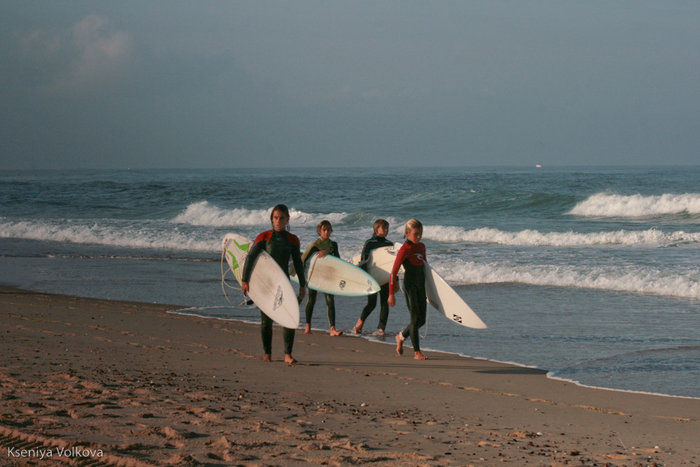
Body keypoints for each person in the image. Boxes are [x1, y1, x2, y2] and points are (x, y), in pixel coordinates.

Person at [241, 204, 307, 364]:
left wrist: (302, 285)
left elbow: (298, 264)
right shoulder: (264, 237)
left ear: (287, 219)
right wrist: (245, 280)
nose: (278, 221)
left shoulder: (292, 239)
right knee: (266, 320)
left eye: (281, 218)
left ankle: (287, 354)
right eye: (275, 218)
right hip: (266, 284)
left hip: (283, 283)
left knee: (290, 317)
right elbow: (250, 257)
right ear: (272, 219)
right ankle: (267, 354)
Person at [388, 219, 428, 360]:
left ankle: (401, 337)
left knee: (421, 320)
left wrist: (430, 289)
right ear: (407, 233)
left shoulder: (422, 247)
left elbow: (426, 268)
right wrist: (391, 294)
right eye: (416, 234)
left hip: (421, 285)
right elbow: (394, 272)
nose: (419, 237)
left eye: (420, 234)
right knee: (415, 318)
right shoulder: (405, 249)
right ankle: (417, 352)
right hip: (410, 285)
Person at [302, 220, 343, 336]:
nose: (327, 232)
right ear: (319, 231)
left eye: (329, 230)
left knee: (330, 300)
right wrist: (302, 278)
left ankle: (332, 329)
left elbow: (338, 260)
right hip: (315, 275)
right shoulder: (315, 245)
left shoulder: (333, 245)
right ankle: (308, 326)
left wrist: (328, 252)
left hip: (328, 275)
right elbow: (304, 259)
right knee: (312, 299)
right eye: (324, 230)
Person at [354, 219, 393, 336]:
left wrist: (394, 281)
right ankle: (360, 321)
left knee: (385, 303)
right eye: (384, 228)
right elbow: (363, 262)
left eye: (387, 228)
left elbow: (392, 264)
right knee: (372, 304)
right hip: (371, 277)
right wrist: (364, 278)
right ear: (376, 229)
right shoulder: (369, 243)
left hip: (385, 277)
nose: (386, 230)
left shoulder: (389, 244)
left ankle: (381, 328)